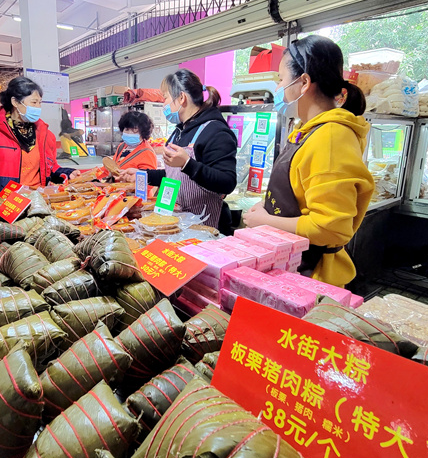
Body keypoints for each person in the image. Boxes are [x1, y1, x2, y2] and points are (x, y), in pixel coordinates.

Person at [243, 35, 374, 288]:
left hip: (312, 277)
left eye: (281, 79)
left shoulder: (332, 137)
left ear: (303, 82)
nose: (279, 88)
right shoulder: (307, 130)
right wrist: (267, 204)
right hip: (290, 267)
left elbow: (331, 228)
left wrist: (266, 221)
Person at [118, 69, 237, 234]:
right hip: (178, 222)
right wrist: (142, 174)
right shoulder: (179, 131)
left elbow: (227, 182)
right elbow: (173, 175)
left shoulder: (216, 131)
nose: (164, 104)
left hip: (205, 226)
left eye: (165, 97)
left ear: (181, 98)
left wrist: (188, 164)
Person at [0, 76, 72, 200]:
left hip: (38, 202)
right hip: (5, 204)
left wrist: (67, 172)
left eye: (40, 102)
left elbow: (50, 167)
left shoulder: (45, 135)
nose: (38, 107)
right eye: (34, 102)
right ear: (15, 102)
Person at [69, 111, 157, 181]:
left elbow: (149, 182)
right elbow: (109, 169)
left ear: (144, 132)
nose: (129, 133)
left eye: (135, 130)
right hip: (117, 191)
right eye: (126, 129)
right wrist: (85, 175)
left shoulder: (147, 152)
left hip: (134, 197)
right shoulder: (122, 146)